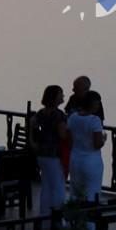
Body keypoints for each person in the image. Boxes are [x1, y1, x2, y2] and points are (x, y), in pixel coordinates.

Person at [27, 85, 68, 218]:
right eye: (61, 94)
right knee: (58, 186)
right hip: (54, 154)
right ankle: (57, 216)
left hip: (41, 153)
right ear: (55, 97)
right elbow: (62, 135)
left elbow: (31, 123)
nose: (63, 96)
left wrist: (33, 142)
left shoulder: (41, 113)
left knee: (46, 185)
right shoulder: (59, 115)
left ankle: (44, 215)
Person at [67, 90, 106, 205]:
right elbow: (97, 144)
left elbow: (69, 140)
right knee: (92, 192)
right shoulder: (95, 120)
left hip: (75, 158)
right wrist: (103, 140)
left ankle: (75, 214)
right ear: (93, 104)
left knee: (75, 191)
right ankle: (90, 215)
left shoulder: (73, 117)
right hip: (91, 160)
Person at [63, 75, 105, 178]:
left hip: (87, 147)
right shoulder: (73, 99)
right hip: (74, 146)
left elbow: (99, 123)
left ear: (86, 89)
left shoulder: (95, 102)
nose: (73, 90)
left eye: (76, 87)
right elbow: (67, 115)